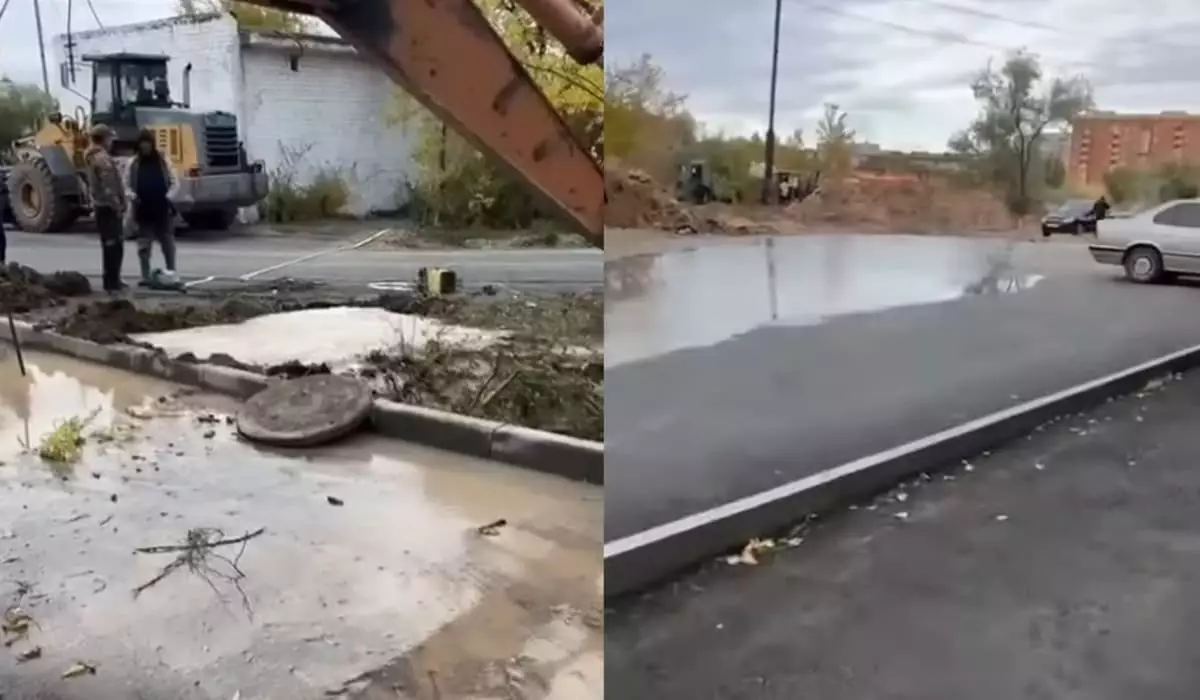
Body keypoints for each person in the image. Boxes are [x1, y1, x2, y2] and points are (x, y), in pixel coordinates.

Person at [125, 129, 178, 286]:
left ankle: (171, 272)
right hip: (142, 209)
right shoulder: (133, 163)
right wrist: (133, 197)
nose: (145, 147)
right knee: (144, 244)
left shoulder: (163, 160)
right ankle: (145, 276)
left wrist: (168, 198)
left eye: (148, 144)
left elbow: (174, 181)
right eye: (142, 144)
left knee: (167, 242)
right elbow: (126, 185)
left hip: (162, 208)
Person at [83, 124, 127, 293]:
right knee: (113, 245)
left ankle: (113, 279)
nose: (112, 142)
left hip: (103, 206)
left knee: (111, 245)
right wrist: (117, 205)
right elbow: (108, 186)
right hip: (107, 207)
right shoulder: (101, 159)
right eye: (110, 138)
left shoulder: (95, 157)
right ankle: (112, 281)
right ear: (104, 139)